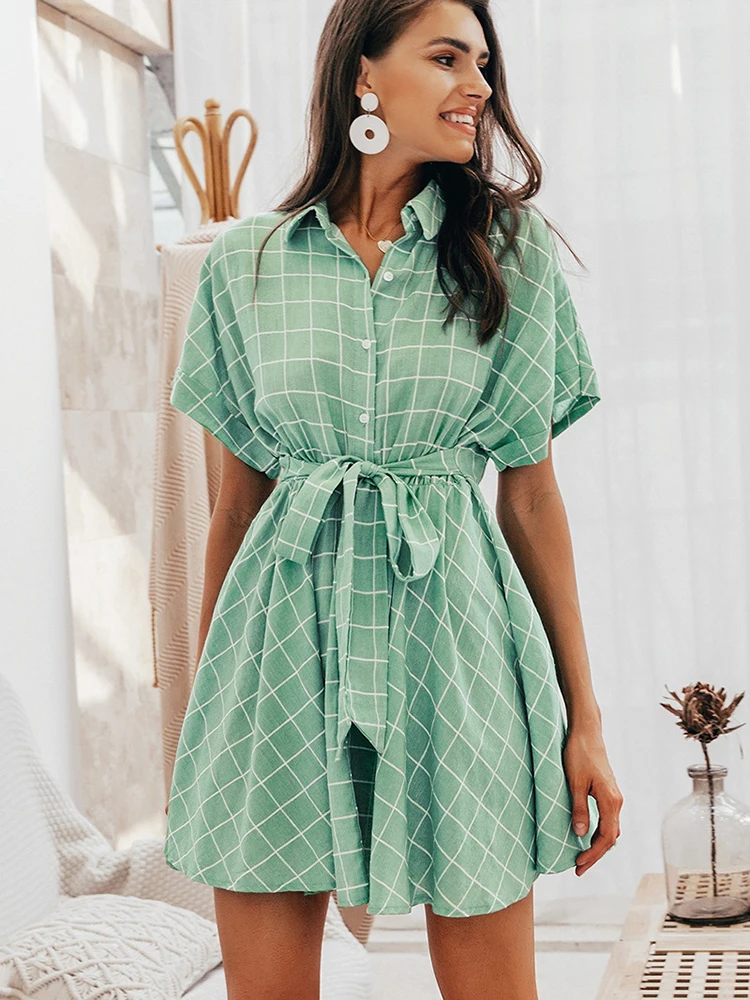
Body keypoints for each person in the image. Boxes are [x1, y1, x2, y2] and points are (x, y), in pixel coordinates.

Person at [163, 0, 624, 997]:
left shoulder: (510, 253)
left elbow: (531, 498)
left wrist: (584, 719)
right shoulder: (246, 264)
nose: (480, 87)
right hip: (279, 653)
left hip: (457, 645)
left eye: (484, 64)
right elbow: (236, 508)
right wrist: (210, 713)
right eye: (448, 57)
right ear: (364, 72)